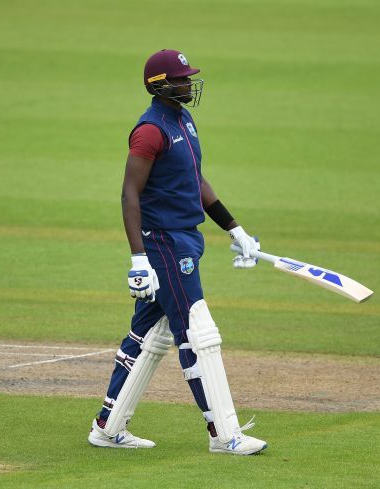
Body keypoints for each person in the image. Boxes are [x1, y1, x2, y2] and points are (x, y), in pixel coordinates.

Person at [87, 49, 267, 455]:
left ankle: (107, 426)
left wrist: (234, 227)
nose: (189, 84)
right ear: (161, 85)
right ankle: (224, 434)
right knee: (197, 332)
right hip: (164, 242)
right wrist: (138, 258)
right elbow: (129, 194)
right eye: (182, 78)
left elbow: (194, 179)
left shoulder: (184, 119)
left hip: (186, 238)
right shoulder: (149, 130)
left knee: (150, 333)